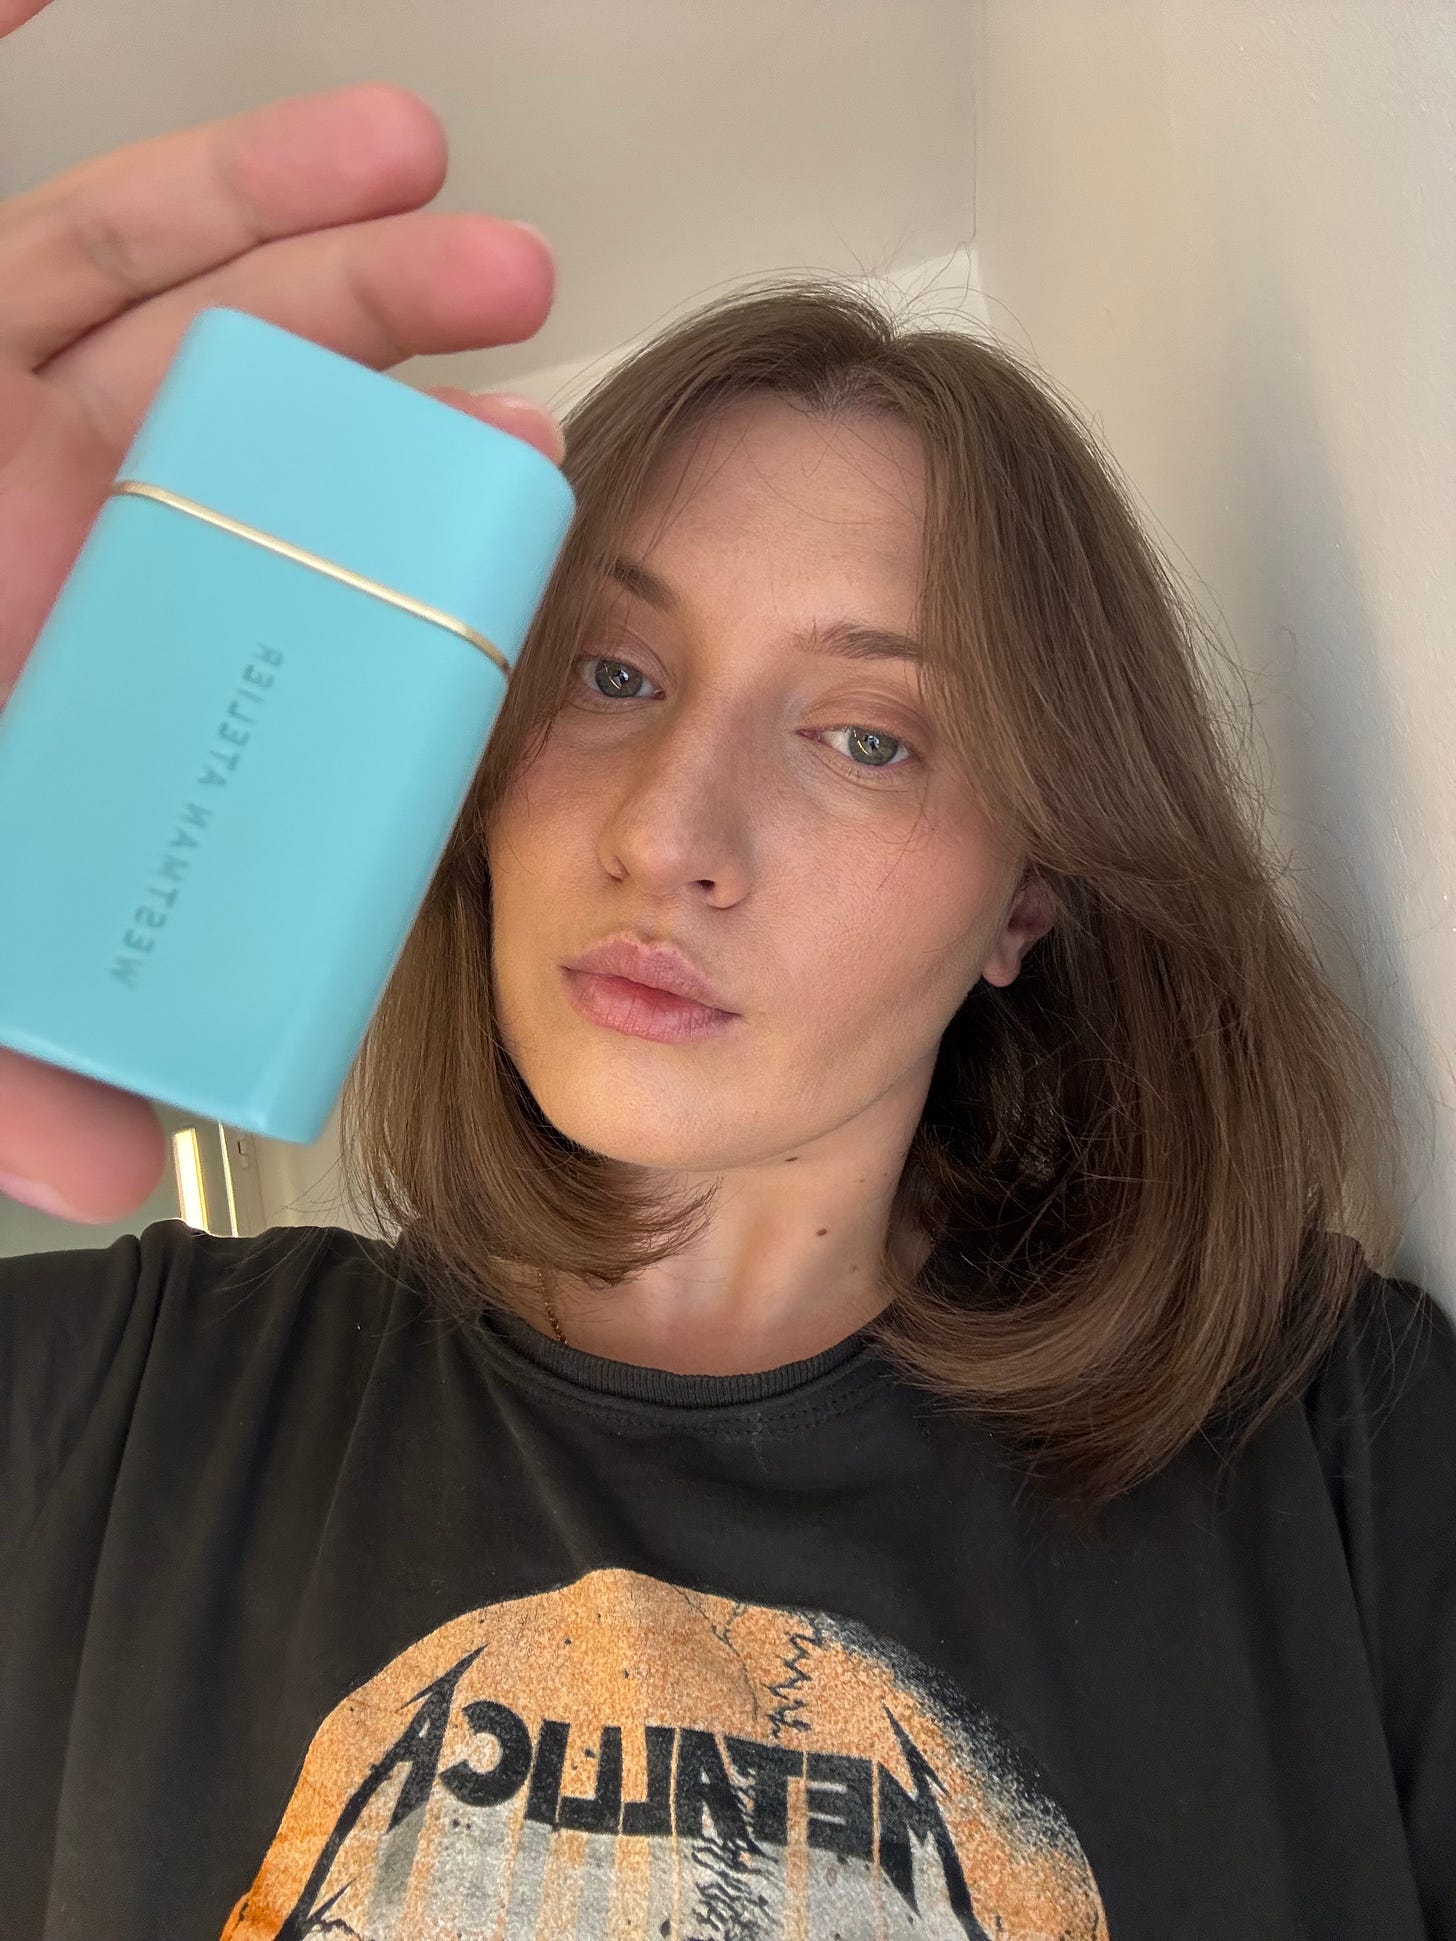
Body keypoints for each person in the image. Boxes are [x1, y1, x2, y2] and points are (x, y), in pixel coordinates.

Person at [1, 5, 1452, 1935]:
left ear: (1026, 899)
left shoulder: (1340, 1460)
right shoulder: (103, 1412)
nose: (670, 828)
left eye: (868, 736)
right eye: (611, 672)